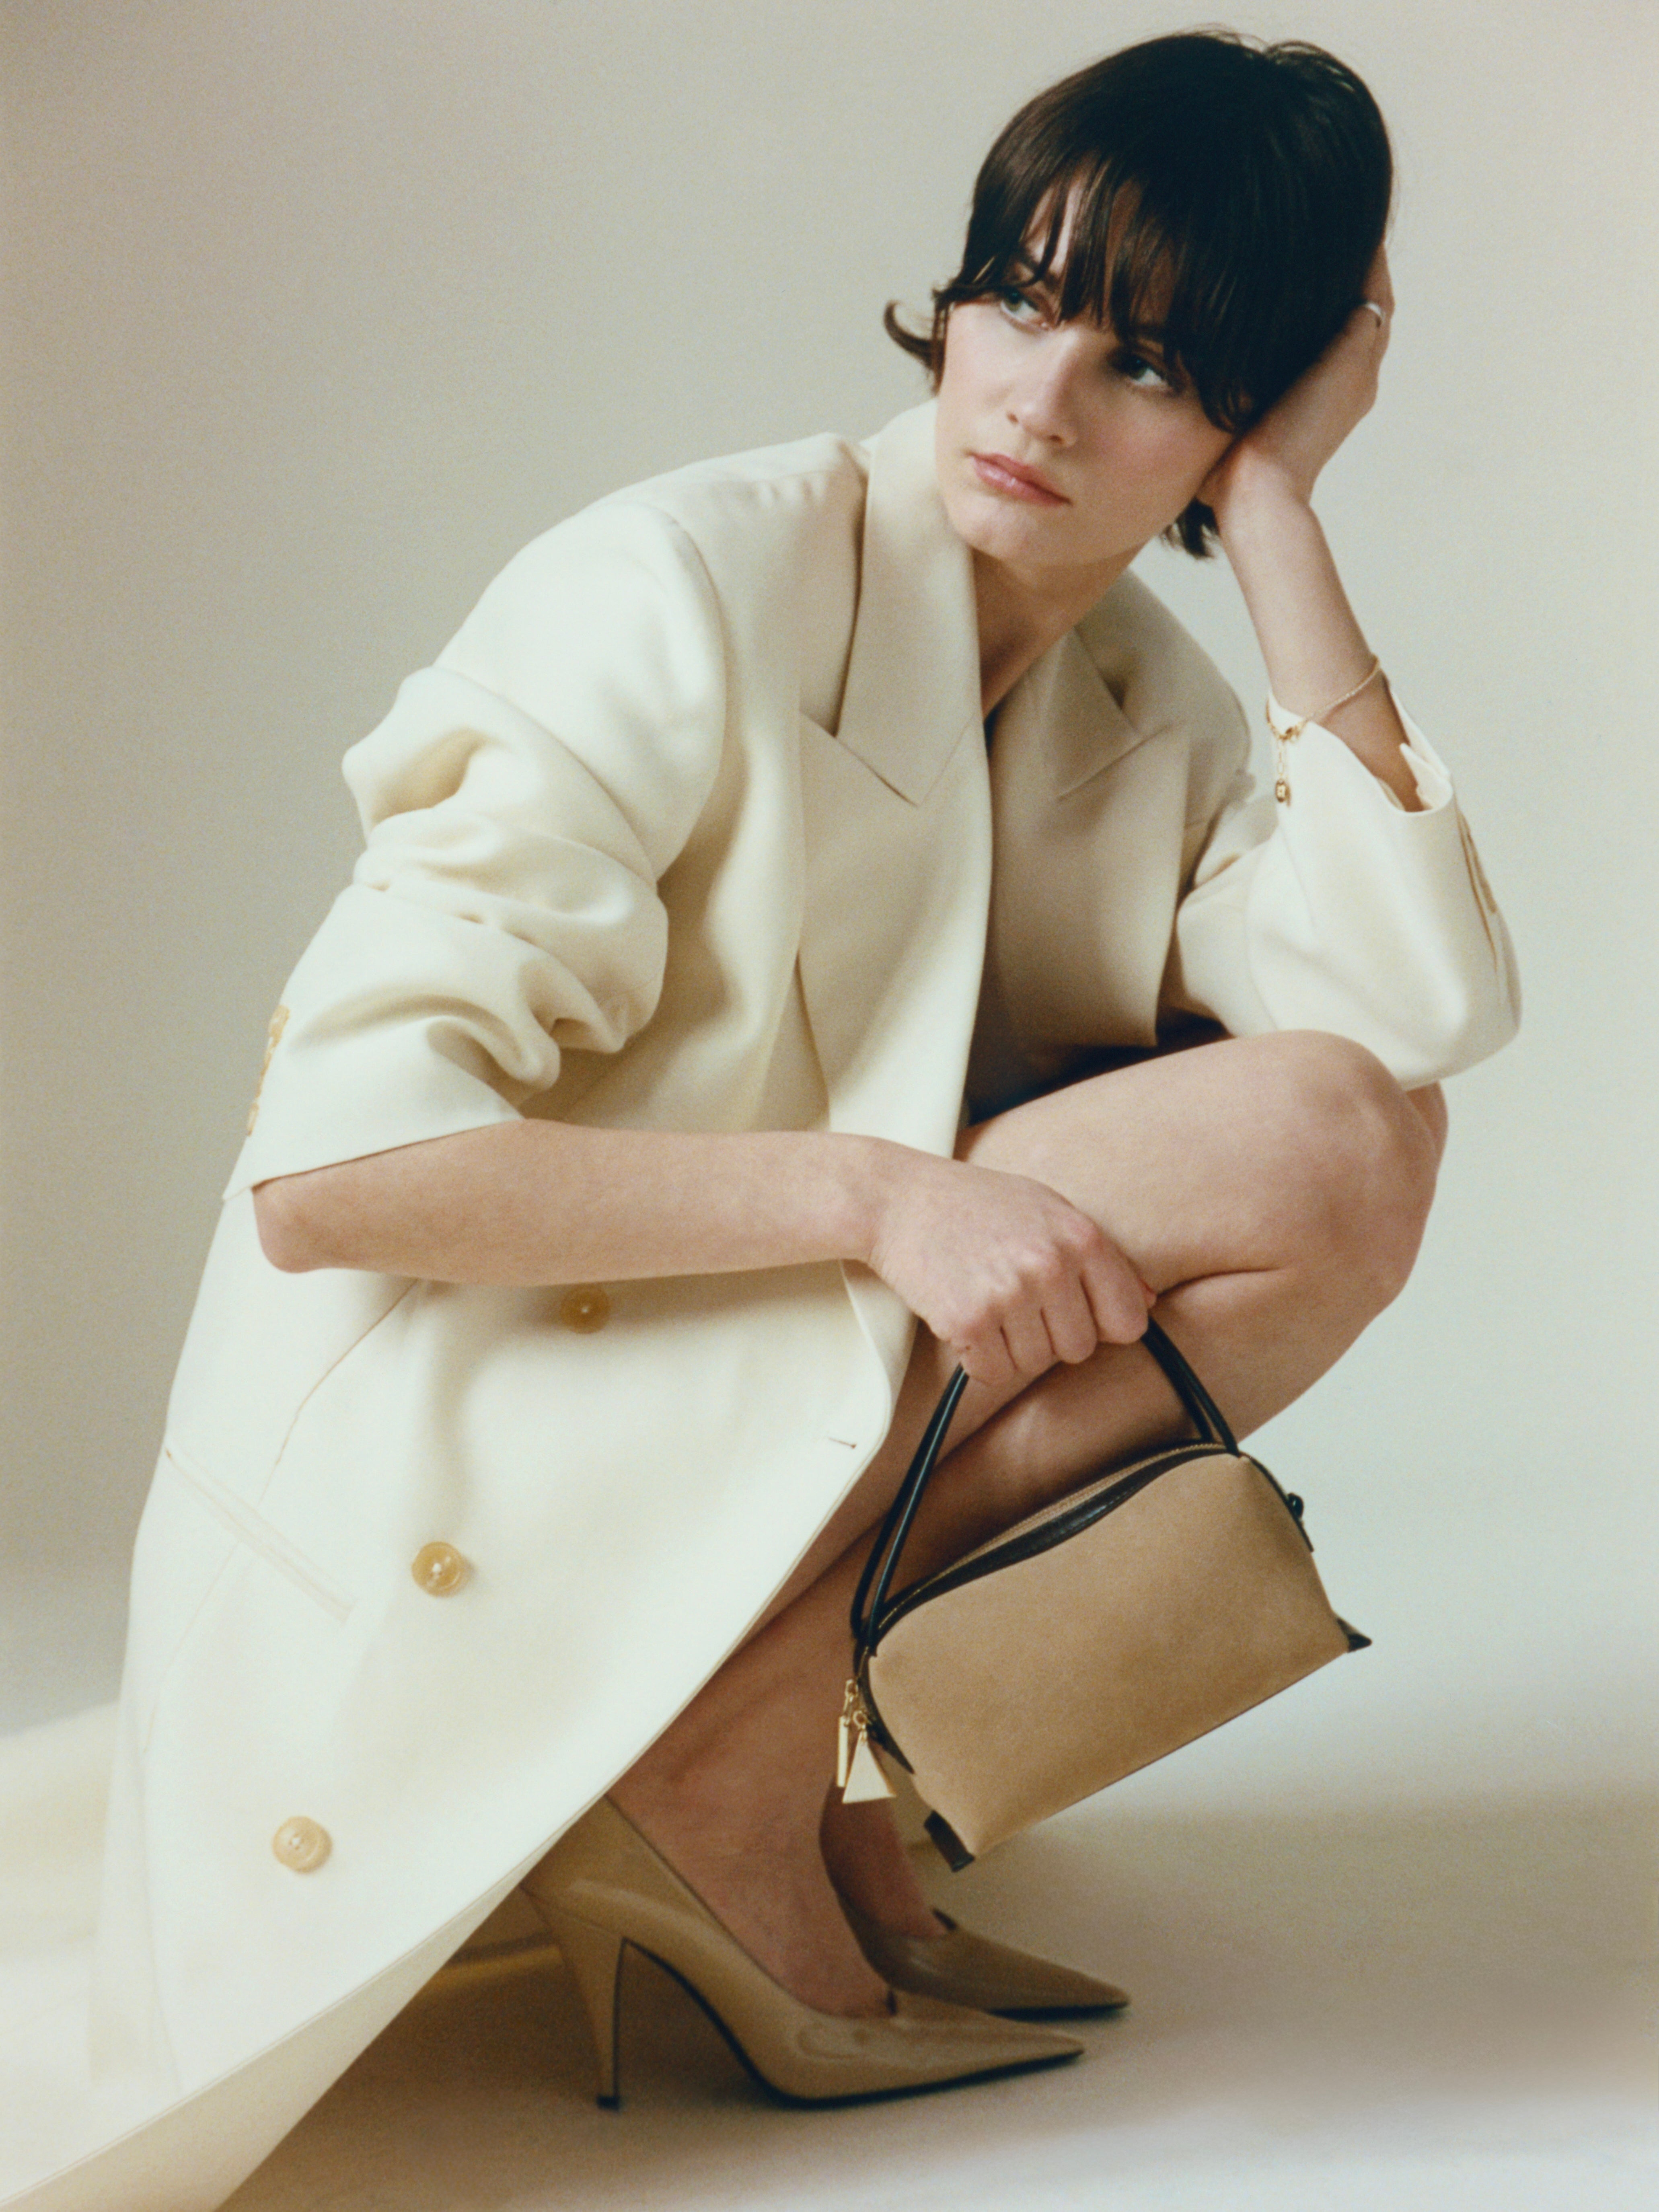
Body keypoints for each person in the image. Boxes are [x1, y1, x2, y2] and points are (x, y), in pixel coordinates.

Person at [50, 26, 1517, 2206]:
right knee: (1313, 1144)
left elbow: (1417, 1021)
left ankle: (749, 1747)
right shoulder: (679, 582)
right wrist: (875, 1196)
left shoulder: (1141, 702)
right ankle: (737, 1777)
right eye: (1019, 297)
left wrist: (1288, 519)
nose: (1036, 398)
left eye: (1146, 365)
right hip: (475, 1412)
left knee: (1348, 1142)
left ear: (1239, 419)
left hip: (727, 1394)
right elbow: (335, 1178)